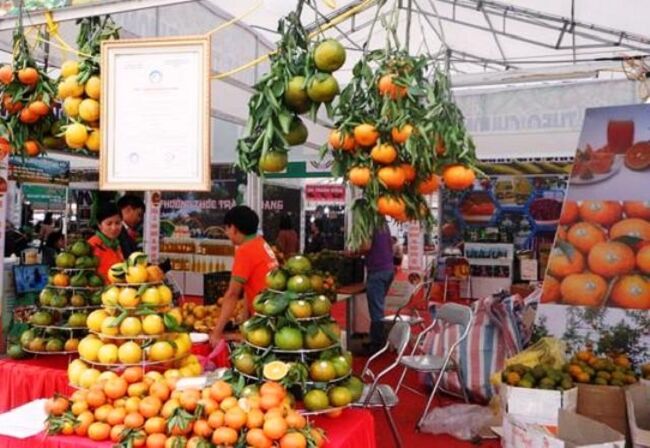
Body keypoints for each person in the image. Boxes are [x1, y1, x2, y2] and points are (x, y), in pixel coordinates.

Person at [210, 206, 278, 346]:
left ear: (234, 228)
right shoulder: (260, 243)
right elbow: (250, 284)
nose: (226, 233)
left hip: (266, 322)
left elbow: (232, 294)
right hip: (274, 314)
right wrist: (245, 316)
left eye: (227, 228)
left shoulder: (245, 251)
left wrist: (216, 333)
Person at [362, 221, 395, 354]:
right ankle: (380, 339)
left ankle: (377, 344)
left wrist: (355, 251)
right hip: (388, 269)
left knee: (376, 311)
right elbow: (391, 244)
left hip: (377, 271)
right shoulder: (383, 225)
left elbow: (366, 246)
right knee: (379, 307)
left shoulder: (369, 224)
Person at [88, 202, 124, 282]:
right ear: (99, 225)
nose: (114, 228)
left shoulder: (116, 244)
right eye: (109, 224)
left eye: (117, 223)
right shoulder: (92, 245)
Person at [117, 194, 145, 258]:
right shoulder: (117, 231)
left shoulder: (126, 230)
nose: (139, 219)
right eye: (139, 215)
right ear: (128, 210)